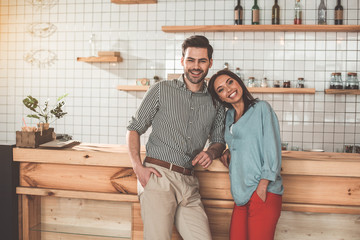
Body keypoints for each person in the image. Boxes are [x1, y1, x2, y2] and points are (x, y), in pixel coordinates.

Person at [126, 35, 226, 240]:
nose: (196, 66)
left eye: (202, 61)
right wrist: (138, 168)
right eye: (191, 60)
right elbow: (134, 128)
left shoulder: (215, 102)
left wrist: (211, 151)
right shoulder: (161, 89)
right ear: (182, 61)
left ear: (210, 63)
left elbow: (218, 141)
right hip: (158, 177)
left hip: (189, 181)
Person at [208, 70, 284, 240]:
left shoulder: (262, 108)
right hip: (241, 194)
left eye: (230, 82)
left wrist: (262, 187)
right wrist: (229, 150)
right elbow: (241, 140)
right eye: (220, 90)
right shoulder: (229, 117)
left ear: (238, 82)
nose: (228, 89)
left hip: (263, 191)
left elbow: (272, 149)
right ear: (220, 98)